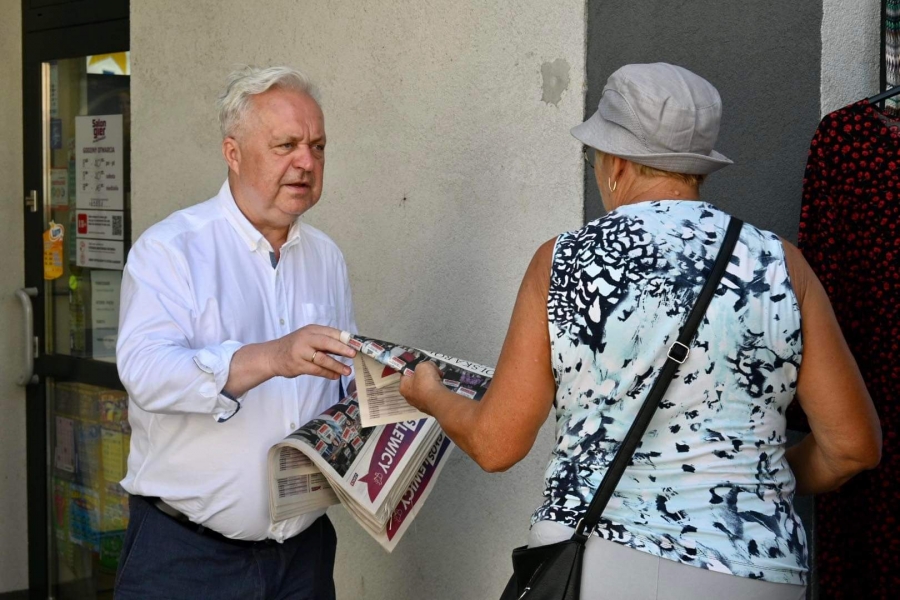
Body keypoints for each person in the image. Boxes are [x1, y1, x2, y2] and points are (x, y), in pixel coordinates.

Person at [399, 63, 882, 599]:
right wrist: (748, 478)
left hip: (598, 565)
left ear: (617, 164)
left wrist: (431, 395)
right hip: (753, 571)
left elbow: (497, 444)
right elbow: (853, 447)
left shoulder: (561, 262)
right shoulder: (781, 264)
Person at [114, 65, 358, 600]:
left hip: (304, 554)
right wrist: (270, 357)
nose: (306, 162)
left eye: (317, 147)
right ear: (233, 153)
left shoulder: (326, 256)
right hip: (188, 559)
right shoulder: (171, 249)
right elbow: (145, 373)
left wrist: (386, 390)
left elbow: (340, 381)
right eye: (286, 145)